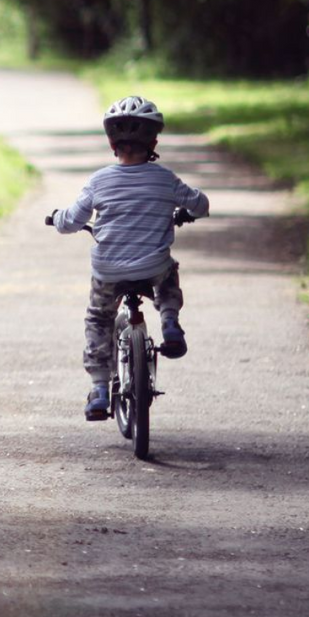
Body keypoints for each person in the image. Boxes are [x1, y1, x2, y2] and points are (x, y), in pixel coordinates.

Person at [50, 95, 209, 421]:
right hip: (152, 268)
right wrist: (186, 211)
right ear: (153, 140)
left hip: (109, 272)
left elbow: (71, 221)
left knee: (98, 318)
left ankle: (99, 390)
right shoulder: (166, 179)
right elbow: (200, 204)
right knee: (167, 276)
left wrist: (56, 217)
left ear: (111, 142)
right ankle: (169, 322)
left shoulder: (99, 182)